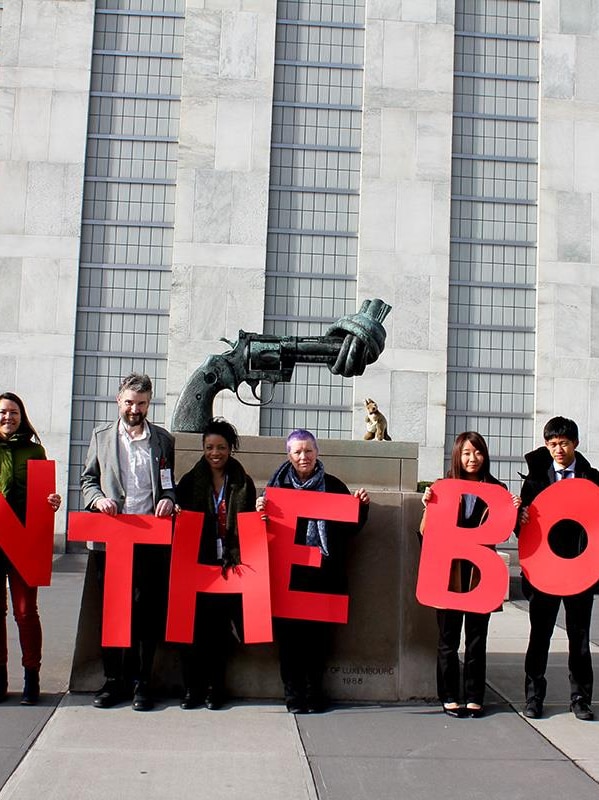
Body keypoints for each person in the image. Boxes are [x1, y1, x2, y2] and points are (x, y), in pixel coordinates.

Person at [256, 429, 370, 714]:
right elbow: (263, 531)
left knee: (318, 642)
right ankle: (293, 696)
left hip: (322, 575)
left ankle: (315, 694)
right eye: (297, 452)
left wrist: (362, 508)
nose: (303, 456)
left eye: (308, 450)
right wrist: (260, 512)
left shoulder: (333, 486)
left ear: (317, 452)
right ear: (289, 456)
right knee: (290, 642)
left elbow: (350, 529)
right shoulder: (277, 487)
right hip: (288, 575)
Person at [80, 373, 175, 711]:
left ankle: (142, 681)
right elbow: (88, 479)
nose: (135, 409)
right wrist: (96, 500)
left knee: (147, 613)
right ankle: (113, 680)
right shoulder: (101, 436)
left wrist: (168, 499)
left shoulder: (162, 440)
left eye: (142, 403)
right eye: (130, 402)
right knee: (114, 613)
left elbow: (168, 483)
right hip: (112, 539)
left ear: (150, 403)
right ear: (119, 400)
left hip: (150, 538)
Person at [420, 431, 520, 718]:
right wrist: (429, 505)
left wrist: (514, 510)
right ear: (457, 455)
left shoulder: (497, 489)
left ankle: (475, 695)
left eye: (477, 452)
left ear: (484, 455)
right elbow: (427, 532)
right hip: (448, 573)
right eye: (466, 453)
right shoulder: (443, 486)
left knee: (477, 637)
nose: (472, 458)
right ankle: (450, 695)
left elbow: (511, 529)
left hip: (480, 573)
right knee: (448, 639)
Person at [519, 416, 599, 721]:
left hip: (580, 570)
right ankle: (534, 696)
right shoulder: (536, 480)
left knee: (579, 637)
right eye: (552, 444)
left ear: (575, 444)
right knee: (539, 635)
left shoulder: (592, 479)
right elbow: (522, 529)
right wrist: (520, 519)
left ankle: (581, 698)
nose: (558, 449)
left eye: (564, 443)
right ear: (546, 445)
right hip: (544, 571)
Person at [175, 417, 256, 710]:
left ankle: (215, 689)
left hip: (229, 567)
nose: (215, 453)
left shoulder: (242, 483)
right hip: (197, 564)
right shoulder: (189, 481)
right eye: (209, 447)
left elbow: (249, 526)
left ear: (231, 449)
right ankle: (191, 689)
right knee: (192, 631)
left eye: (221, 447)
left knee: (220, 633)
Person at [0, 392, 61, 705]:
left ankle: (31, 676)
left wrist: (52, 501)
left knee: (25, 612)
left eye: (13, 412)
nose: (7, 417)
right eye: (2, 412)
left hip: (24, 540)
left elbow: (44, 493)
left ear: (21, 416)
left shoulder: (34, 451)